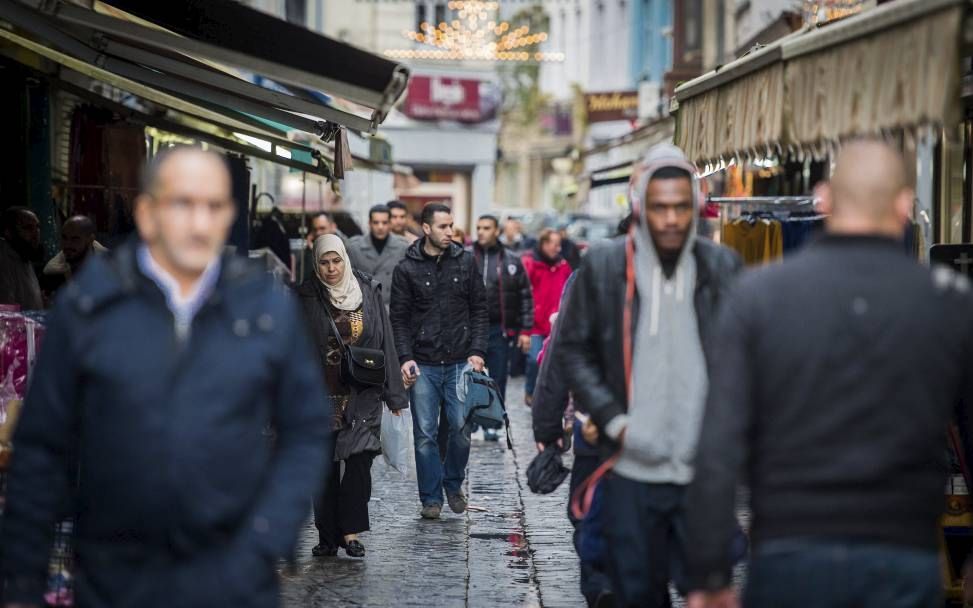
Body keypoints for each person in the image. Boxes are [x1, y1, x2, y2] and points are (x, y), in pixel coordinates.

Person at [0, 146, 331, 608]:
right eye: (182, 204)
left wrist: (268, 534)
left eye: (213, 206)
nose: (199, 222)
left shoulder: (263, 306)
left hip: (234, 575)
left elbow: (308, 430)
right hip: (115, 576)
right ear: (148, 212)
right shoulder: (92, 306)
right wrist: (21, 583)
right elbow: (41, 447)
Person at [685, 139, 973, 608]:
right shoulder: (949, 302)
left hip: (789, 550)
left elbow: (718, 443)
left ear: (823, 200)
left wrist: (710, 571)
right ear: (904, 205)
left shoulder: (760, 296)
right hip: (902, 552)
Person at [556, 143, 742, 608]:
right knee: (635, 593)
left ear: (696, 208)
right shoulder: (602, 265)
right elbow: (572, 350)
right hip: (629, 469)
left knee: (706, 592)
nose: (672, 219)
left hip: (699, 474)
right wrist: (613, 419)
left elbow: (743, 358)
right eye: (660, 208)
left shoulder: (721, 266)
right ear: (641, 208)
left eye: (682, 207)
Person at [297, 234, 408, 559]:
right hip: (320, 395)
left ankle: (351, 531)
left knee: (360, 462)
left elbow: (385, 341)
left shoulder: (367, 291)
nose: (331, 268)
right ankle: (327, 537)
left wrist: (395, 396)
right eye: (324, 262)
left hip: (363, 393)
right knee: (324, 469)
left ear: (345, 259)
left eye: (336, 261)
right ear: (316, 264)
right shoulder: (304, 296)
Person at [390, 202, 488, 520]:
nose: (450, 231)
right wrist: (405, 357)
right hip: (424, 362)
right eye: (443, 226)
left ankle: (453, 483)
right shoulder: (406, 268)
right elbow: (399, 319)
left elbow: (480, 310)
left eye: (452, 225)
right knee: (425, 434)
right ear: (427, 228)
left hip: (461, 360)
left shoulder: (466, 262)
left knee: (460, 428)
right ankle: (431, 498)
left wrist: (478, 351)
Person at [473, 214, 534, 440]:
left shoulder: (511, 260)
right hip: (471, 328)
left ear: (496, 231)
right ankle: (473, 421)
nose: (481, 232)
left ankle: (493, 422)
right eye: (478, 227)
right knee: (472, 377)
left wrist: (525, 331)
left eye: (486, 228)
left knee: (498, 377)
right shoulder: (467, 257)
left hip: (500, 328)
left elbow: (525, 296)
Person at [522, 228, 572, 406]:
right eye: (552, 244)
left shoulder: (564, 266)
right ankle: (530, 391)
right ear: (543, 244)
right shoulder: (531, 264)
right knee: (535, 359)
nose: (556, 248)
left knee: (552, 364)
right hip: (535, 323)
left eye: (559, 244)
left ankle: (545, 395)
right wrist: (525, 327)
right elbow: (524, 292)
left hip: (555, 324)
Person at [346, 205, 409, 308]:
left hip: (392, 309)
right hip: (364, 308)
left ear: (390, 224)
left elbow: (406, 284)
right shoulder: (355, 248)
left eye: (384, 223)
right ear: (369, 223)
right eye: (376, 222)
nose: (380, 227)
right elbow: (348, 283)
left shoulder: (402, 247)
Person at [41, 215, 107, 297]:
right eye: (64, 238)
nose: (67, 245)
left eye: (75, 239)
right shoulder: (53, 274)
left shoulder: (112, 268)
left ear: (90, 240)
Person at [0, 206, 43, 310]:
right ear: (8, 232)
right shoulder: (3, 259)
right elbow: (6, 311)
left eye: (37, 227)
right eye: (28, 228)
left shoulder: (23, 253)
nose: (36, 233)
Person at [300, 211, 342, 285]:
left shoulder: (347, 248)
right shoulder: (311, 250)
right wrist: (312, 253)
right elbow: (305, 279)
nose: (318, 233)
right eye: (315, 229)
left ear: (333, 227)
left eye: (322, 228)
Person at [256, 205, 293, 276]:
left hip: (281, 259)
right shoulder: (270, 224)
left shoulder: (278, 224)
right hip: (276, 259)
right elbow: (272, 242)